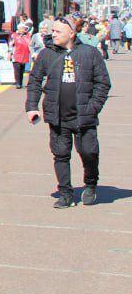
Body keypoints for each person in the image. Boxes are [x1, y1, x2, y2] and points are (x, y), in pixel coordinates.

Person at [25, 15, 112, 207]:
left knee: (89, 152)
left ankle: (90, 184)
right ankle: (66, 193)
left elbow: (103, 83)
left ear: (71, 33)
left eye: (57, 31)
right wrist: (32, 107)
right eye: (52, 31)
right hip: (58, 116)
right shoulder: (46, 54)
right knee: (61, 154)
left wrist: (93, 107)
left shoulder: (89, 53)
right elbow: (34, 81)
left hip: (84, 116)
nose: (52, 34)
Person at [7, 22, 32, 89]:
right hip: (16, 55)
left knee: (22, 70)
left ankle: (20, 83)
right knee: (17, 69)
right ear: (20, 28)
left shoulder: (27, 35)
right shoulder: (14, 35)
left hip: (24, 55)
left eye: (25, 28)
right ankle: (17, 83)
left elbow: (30, 44)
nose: (25, 29)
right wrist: (9, 53)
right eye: (24, 28)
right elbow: (10, 45)